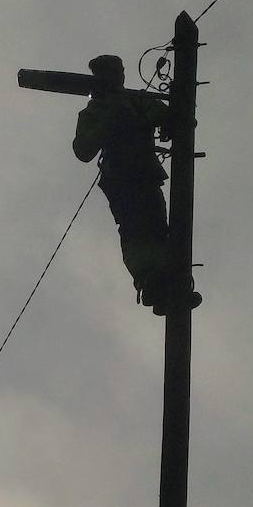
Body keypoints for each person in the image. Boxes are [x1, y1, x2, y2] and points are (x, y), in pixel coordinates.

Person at [72, 54, 200, 313]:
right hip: (120, 177)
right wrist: (111, 120)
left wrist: (170, 117)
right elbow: (83, 150)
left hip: (144, 173)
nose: (118, 77)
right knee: (135, 228)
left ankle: (170, 284)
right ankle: (150, 279)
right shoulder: (94, 111)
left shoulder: (136, 100)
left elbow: (168, 118)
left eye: (120, 71)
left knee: (156, 226)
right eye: (112, 72)